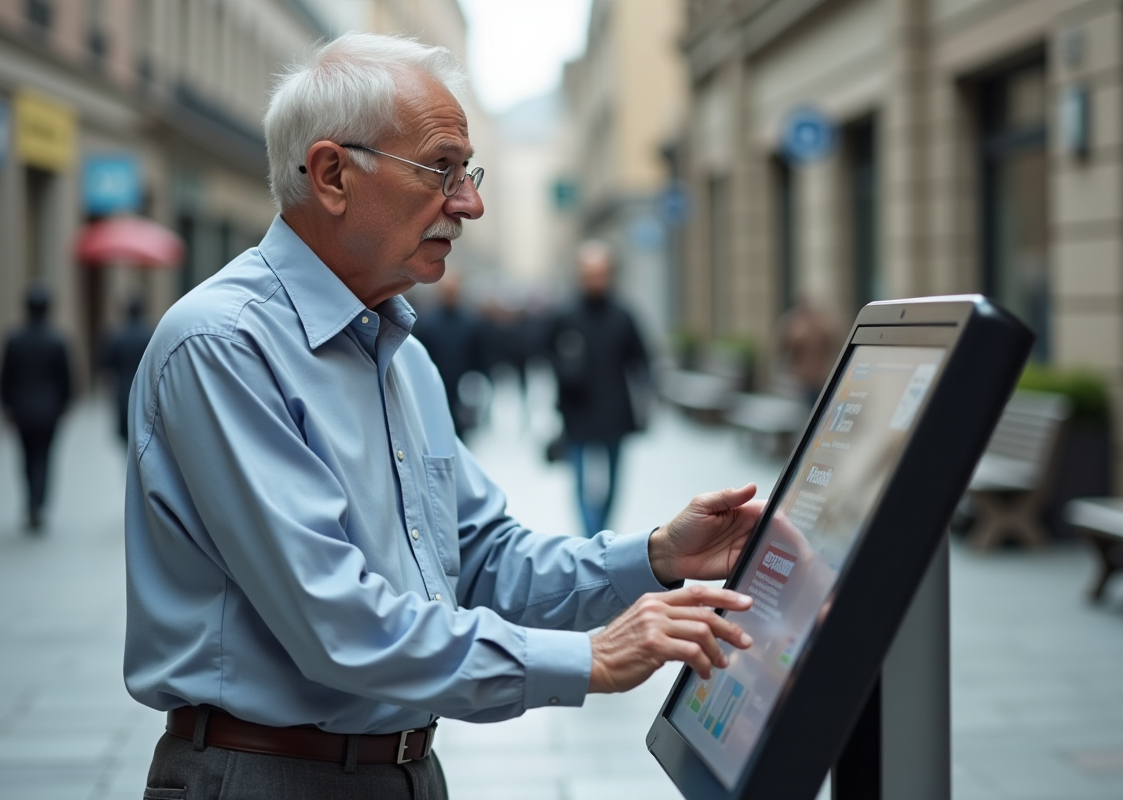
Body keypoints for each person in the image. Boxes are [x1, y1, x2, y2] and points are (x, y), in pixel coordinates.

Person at [124, 34, 759, 800]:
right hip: (265, 776)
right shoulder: (224, 346)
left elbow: (483, 558)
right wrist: (587, 660)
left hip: (405, 771)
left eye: (469, 172)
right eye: (442, 169)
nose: (470, 202)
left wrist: (657, 555)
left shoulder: (397, 350)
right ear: (332, 175)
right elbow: (340, 624)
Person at [548, 241, 650, 537]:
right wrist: (564, 371)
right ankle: (592, 537)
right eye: (588, 273)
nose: (594, 279)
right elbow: (546, 351)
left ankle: (603, 530)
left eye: (600, 273)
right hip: (577, 411)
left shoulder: (623, 315)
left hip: (615, 411)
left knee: (614, 481)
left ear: (610, 274)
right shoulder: (566, 315)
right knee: (580, 481)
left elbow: (641, 360)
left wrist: (645, 402)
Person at [0, 285, 72, 532]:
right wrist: (65, 404)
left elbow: (6, 377)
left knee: (27, 457)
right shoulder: (57, 340)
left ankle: (31, 502)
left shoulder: (14, 339)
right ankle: (38, 504)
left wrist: (7, 406)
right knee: (44, 457)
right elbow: (66, 378)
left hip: (21, 409)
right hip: (49, 409)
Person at [413, 272, 486, 437]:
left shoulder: (472, 322)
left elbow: (480, 358)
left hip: (462, 392)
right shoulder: (426, 322)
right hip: (433, 389)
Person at [98, 295, 154, 443]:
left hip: (123, 392)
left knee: (126, 437)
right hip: (145, 392)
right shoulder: (150, 335)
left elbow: (105, 367)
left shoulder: (116, 336)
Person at [777, 293, 838, 407]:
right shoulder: (794, 324)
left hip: (818, 377)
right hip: (802, 379)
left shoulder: (820, 323)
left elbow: (832, 343)